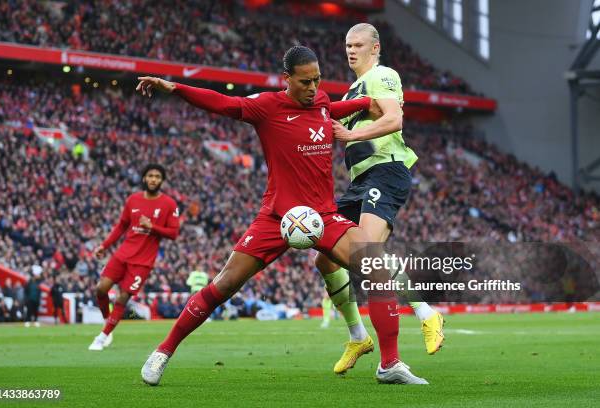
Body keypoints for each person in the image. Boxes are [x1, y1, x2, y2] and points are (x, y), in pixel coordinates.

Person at [137, 45, 427, 386]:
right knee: (225, 284)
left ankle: (389, 364)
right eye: (305, 82)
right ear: (286, 79)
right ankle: (163, 351)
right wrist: (176, 88)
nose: (313, 88)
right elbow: (223, 103)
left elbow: (331, 107)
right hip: (276, 218)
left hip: (323, 216)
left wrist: (366, 103)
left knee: (376, 270)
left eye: (317, 80)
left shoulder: (320, 103)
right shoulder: (267, 106)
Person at [315, 24, 445, 375]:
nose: (351, 50)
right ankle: (358, 336)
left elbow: (394, 118)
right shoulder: (352, 90)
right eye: (347, 45)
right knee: (325, 260)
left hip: (385, 171)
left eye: (358, 44)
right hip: (360, 182)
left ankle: (423, 316)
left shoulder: (382, 75)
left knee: (367, 255)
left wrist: (350, 133)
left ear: (375, 48)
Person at [88, 164, 180, 351]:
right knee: (101, 289)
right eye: (150, 175)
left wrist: (151, 227)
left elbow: (173, 233)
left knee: (122, 298)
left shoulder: (169, 204)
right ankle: (108, 324)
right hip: (122, 254)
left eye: (157, 176)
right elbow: (121, 226)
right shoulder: (133, 200)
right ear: (144, 178)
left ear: (162, 180)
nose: (153, 179)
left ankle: (102, 336)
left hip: (143, 262)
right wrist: (104, 246)